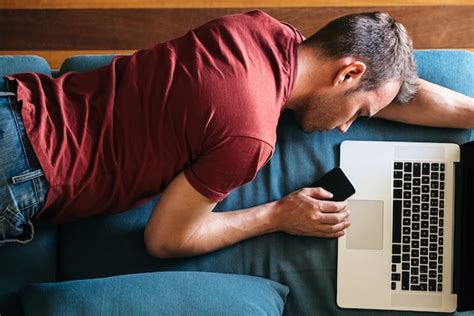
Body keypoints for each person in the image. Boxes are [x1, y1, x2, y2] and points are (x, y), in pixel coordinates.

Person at [1, 11, 473, 256]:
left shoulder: (258, 29)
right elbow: (165, 239)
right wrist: (278, 215)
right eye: (361, 112)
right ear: (348, 72)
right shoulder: (250, 138)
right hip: (23, 172)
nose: (349, 125)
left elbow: (392, 88)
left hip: (15, 101)